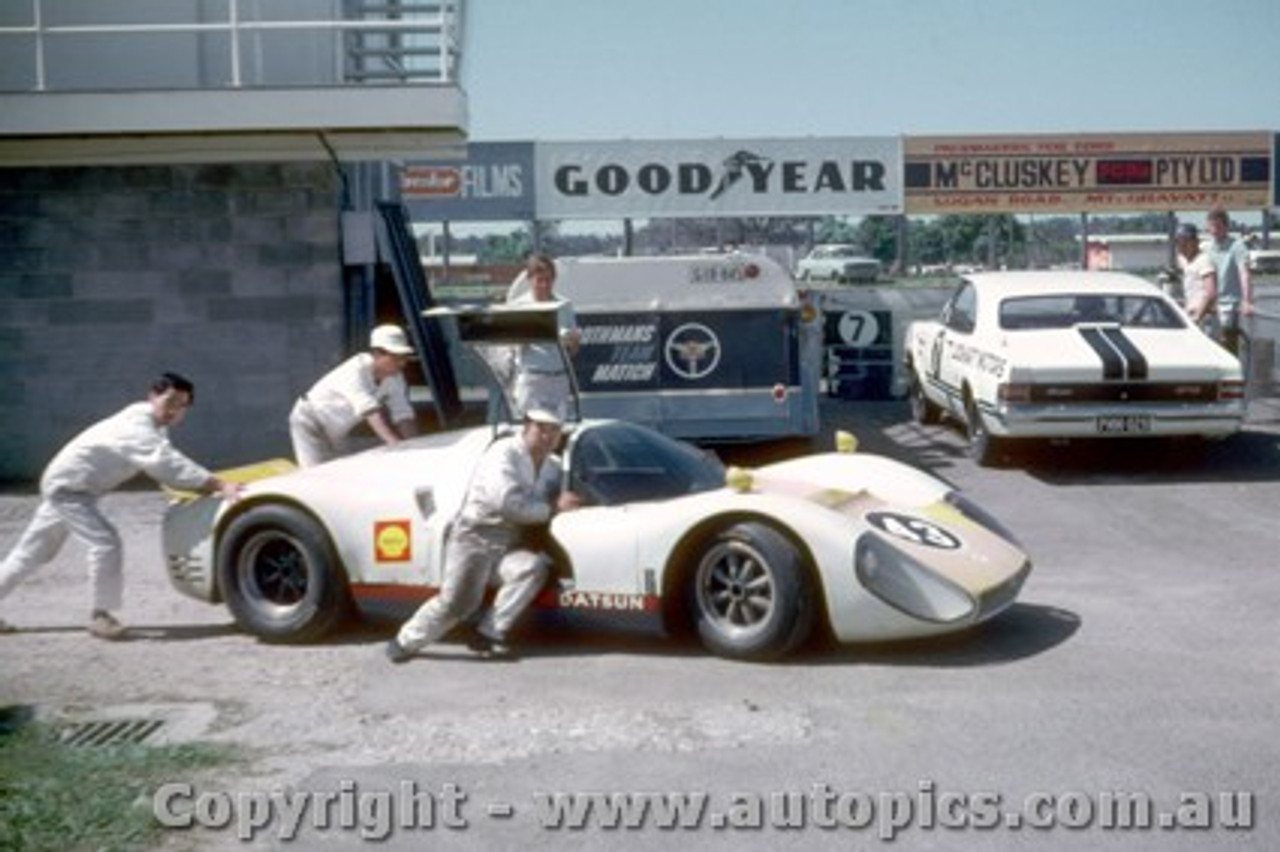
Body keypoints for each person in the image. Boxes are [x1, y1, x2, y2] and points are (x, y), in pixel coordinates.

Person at [0, 372, 242, 639]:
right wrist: (219, 485)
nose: (174, 410)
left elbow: (162, 467)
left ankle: (99, 614)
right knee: (105, 543)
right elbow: (166, 462)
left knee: (30, 554)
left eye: (182, 405)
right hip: (68, 490)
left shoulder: (153, 428)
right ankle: (100, 616)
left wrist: (190, 490)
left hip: (72, 488)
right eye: (170, 401)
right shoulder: (136, 426)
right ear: (153, 396)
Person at [386, 409, 580, 663]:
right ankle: (406, 641)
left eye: (553, 431)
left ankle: (488, 634)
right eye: (540, 428)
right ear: (526, 427)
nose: (547, 436)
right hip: (475, 538)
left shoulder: (553, 467)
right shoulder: (503, 453)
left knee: (532, 568)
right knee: (458, 603)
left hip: (510, 543)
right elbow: (507, 504)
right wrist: (554, 508)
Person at [289, 324, 418, 467]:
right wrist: (396, 446)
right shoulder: (355, 370)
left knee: (341, 472)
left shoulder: (395, 377)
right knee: (315, 476)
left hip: (337, 429)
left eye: (404, 357)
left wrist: (413, 446)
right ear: (377, 354)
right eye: (395, 357)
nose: (402, 363)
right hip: (310, 421)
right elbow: (370, 411)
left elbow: (403, 414)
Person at [506, 253, 581, 419]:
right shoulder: (517, 306)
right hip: (532, 379)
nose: (544, 285)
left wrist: (573, 341)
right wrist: (530, 334)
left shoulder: (564, 305)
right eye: (539, 280)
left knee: (558, 430)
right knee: (530, 428)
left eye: (548, 280)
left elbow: (573, 350)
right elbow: (509, 347)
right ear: (529, 280)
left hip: (559, 379)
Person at [1204, 206, 1254, 357]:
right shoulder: (1206, 247)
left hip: (1230, 306)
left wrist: (1247, 301)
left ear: (1226, 226)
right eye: (1212, 226)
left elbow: (1244, 274)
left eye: (1218, 226)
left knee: (1228, 346)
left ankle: (1232, 378)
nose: (1215, 230)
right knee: (1209, 347)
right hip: (1210, 307)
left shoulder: (1237, 246)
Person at [1174, 222, 1219, 338]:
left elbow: (1211, 292)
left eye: (1186, 242)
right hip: (1190, 316)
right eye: (1179, 241)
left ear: (1195, 242)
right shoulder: (1183, 260)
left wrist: (1198, 316)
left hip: (1204, 319)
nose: (1181, 246)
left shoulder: (1204, 260)